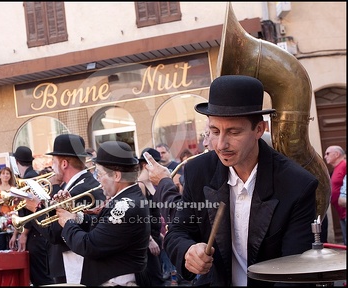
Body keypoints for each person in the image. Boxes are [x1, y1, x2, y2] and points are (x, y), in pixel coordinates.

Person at [145, 75, 318, 286]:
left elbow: (295, 271)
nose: (220, 144)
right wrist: (188, 251)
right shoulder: (198, 170)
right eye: (214, 131)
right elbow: (178, 232)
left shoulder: (297, 184)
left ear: (259, 129)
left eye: (233, 132)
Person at [54, 141, 151, 286]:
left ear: (117, 176)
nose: (97, 178)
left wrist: (68, 223)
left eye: (99, 173)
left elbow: (90, 245)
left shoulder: (125, 205)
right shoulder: (126, 199)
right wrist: (77, 217)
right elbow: (104, 228)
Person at [25, 134, 106, 284]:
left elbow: (54, 233)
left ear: (63, 164)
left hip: (74, 266)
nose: (51, 166)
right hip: (69, 264)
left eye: (53, 161)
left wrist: (35, 209)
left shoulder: (80, 189)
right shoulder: (80, 184)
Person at [9, 146, 54, 286]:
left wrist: (23, 234)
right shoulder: (32, 177)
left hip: (35, 234)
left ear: (16, 162)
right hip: (37, 233)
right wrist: (16, 233)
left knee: (40, 277)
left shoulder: (29, 179)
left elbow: (32, 209)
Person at [136, 147, 165, 286]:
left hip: (154, 236)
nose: (159, 167)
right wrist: (149, 240)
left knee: (157, 277)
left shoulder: (150, 184)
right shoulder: (140, 185)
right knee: (155, 279)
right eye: (155, 163)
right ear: (144, 165)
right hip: (147, 240)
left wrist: (159, 235)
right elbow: (139, 216)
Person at [324, 145, 346, 245]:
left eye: (327, 153)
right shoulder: (337, 168)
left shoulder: (344, 165)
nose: (325, 156)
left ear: (336, 154)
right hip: (341, 213)